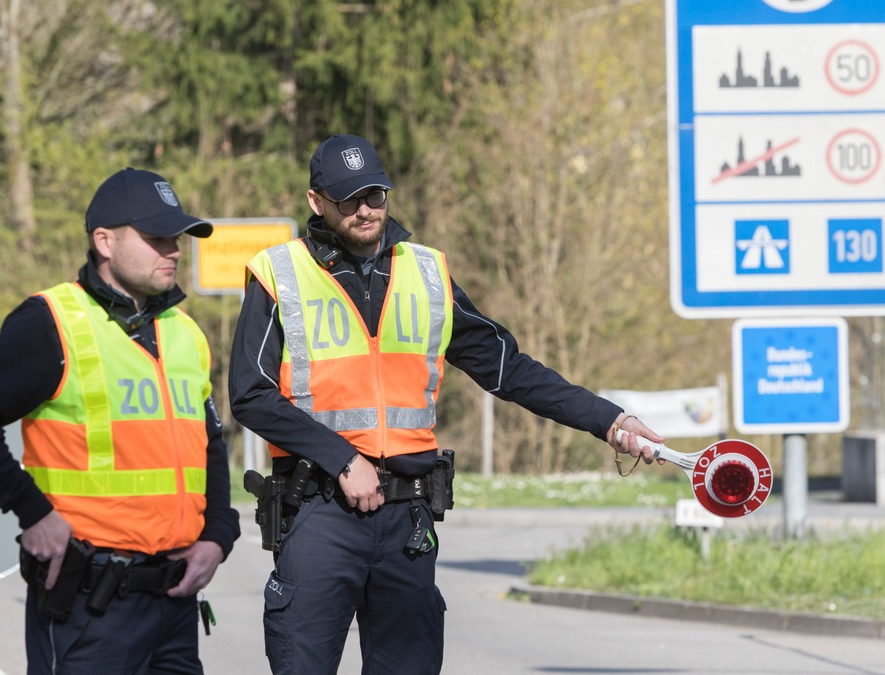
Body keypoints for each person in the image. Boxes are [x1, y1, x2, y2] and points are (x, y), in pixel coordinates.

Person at [229, 133, 663, 675]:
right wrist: (342, 459)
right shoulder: (279, 274)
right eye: (349, 200)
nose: (366, 211)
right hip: (320, 514)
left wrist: (610, 420)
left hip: (405, 519)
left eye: (375, 195)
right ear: (317, 202)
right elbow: (250, 394)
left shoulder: (426, 272)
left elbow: (510, 370)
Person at [0, 168, 241, 675]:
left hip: (175, 606)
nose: (174, 249)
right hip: (90, 608)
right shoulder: (51, 322)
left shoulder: (185, 332)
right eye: (156, 237)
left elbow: (209, 444)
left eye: (178, 238)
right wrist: (32, 511)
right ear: (104, 240)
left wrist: (219, 534)